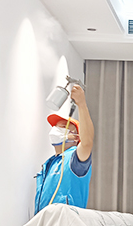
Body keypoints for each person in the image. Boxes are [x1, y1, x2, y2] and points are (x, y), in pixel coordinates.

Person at [33, 84, 94, 214]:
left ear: (76, 137)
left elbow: (87, 143)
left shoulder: (75, 160)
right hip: (44, 222)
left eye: (62, 127)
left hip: (66, 223)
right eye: (56, 127)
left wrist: (82, 104)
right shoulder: (49, 164)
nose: (56, 129)